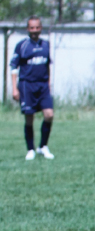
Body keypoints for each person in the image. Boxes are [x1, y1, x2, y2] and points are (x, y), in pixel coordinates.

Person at [10, 16, 55, 161]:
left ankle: (43, 146)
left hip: (43, 85)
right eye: (32, 28)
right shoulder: (22, 45)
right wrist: (14, 89)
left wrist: (48, 83)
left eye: (37, 27)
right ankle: (30, 149)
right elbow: (13, 67)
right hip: (27, 85)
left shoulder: (46, 44)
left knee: (49, 115)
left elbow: (47, 65)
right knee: (29, 118)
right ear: (27, 29)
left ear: (41, 28)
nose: (34, 30)